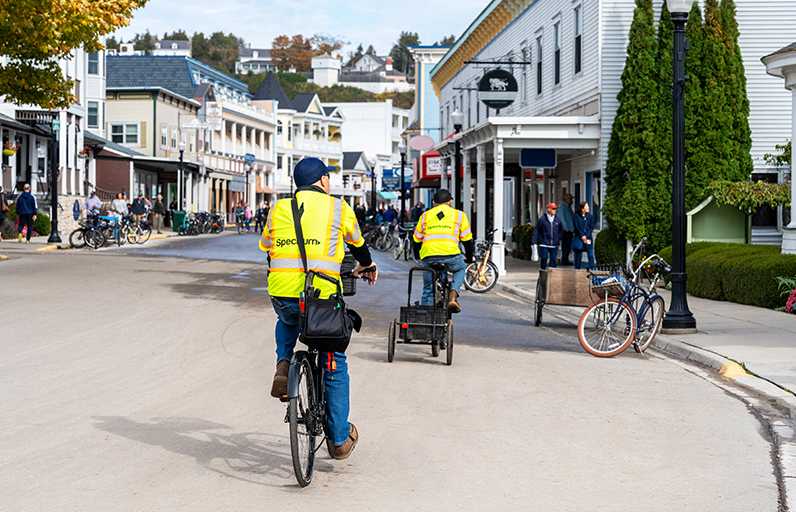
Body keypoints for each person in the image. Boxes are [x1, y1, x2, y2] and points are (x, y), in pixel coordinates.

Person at [260, 157, 378, 460]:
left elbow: (267, 247)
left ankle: (283, 364)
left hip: (283, 292)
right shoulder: (338, 208)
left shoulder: (278, 208)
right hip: (322, 298)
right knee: (333, 358)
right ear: (324, 181)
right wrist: (366, 266)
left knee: (288, 317)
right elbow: (358, 246)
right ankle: (338, 440)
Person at [412, 189, 474, 314]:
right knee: (461, 268)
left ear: (434, 202)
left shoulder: (425, 216)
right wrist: (468, 257)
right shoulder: (460, 215)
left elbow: (416, 240)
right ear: (450, 201)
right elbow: (467, 240)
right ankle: (453, 294)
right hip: (451, 255)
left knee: (428, 288)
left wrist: (418, 257)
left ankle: (426, 318)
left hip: (429, 257)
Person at [533, 202, 562, 270]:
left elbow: (560, 230)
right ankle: (542, 272)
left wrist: (558, 238)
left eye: (555, 209)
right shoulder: (542, 219)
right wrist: (534, 241)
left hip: (554, 244)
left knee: (553, 260)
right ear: (548, 209)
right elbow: (537, 230)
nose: (555, 210)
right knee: (544, 258)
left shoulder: (557, 220)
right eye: (553, 209)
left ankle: (553, 276)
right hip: (544, 243)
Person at [573, 202, 596, 270]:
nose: (588, 208)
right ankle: (577, 269)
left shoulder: (590, 216)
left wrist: (586, 236)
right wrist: (582, 236)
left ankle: (591, 269)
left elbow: (591, 227)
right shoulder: (576, 216)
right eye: (587, 206)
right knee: (578, 254)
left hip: (588, 238)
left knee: (590, 254)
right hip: (579, 238)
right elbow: (577, 227)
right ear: (582, 209)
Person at [557, 193, 575, 266]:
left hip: (569, 230)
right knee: (565, 246)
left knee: (568, 246)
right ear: (566, 199)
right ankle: (564, 260)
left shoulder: (568, 207)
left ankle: (565, 259)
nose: (572, 201)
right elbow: (562, 219)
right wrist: (566, 228)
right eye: (570, 199)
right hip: (565, 231)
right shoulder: (562, 207)